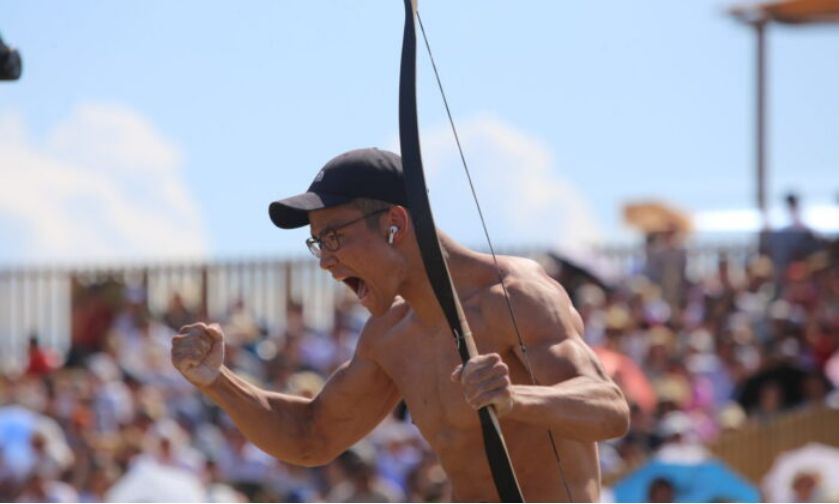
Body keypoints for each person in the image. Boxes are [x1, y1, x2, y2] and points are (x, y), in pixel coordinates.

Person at [171, 148, 630, 502]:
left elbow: (609, 408)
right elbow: (311, 437)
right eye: (317, 244)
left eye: (334, 237)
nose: (325, 261)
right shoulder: (389, 335)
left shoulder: (513, 294)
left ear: (394, 223)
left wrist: (515, 400)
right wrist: (218, 382)